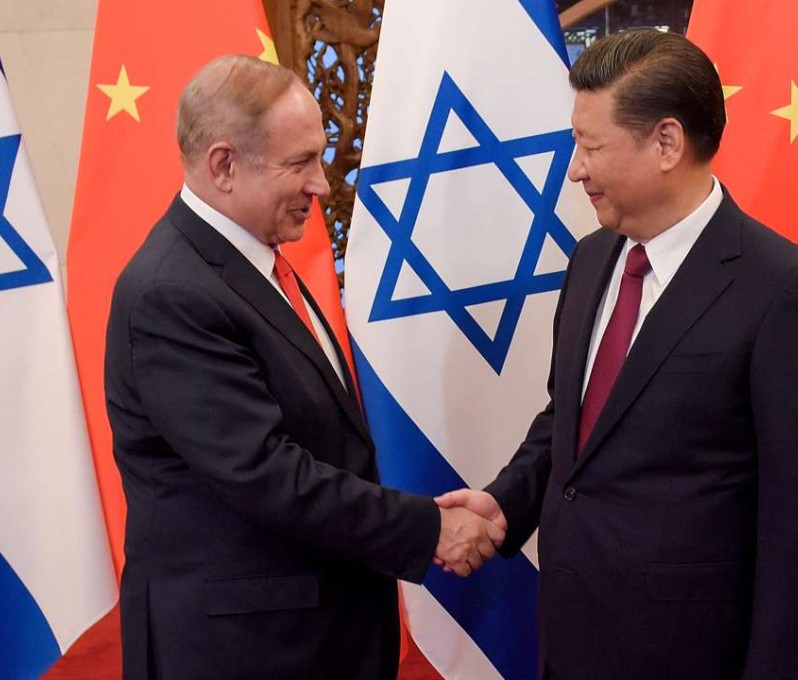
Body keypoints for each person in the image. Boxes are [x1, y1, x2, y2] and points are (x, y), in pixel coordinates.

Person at [436, 29, 798, 679]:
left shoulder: (785, 292)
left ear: (666, 143)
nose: (575, 169)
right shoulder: (591, 258)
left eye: (589, 146)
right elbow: (570, 425)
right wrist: (506, 502)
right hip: (571, 642)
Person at [105, 55, 503, 680]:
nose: (322, 184)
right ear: (224, 166)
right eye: (300, 164)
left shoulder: (257, 264)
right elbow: (265, 473)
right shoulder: (172, 293)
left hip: (313, 633)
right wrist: (429, 529)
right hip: (243, 650)